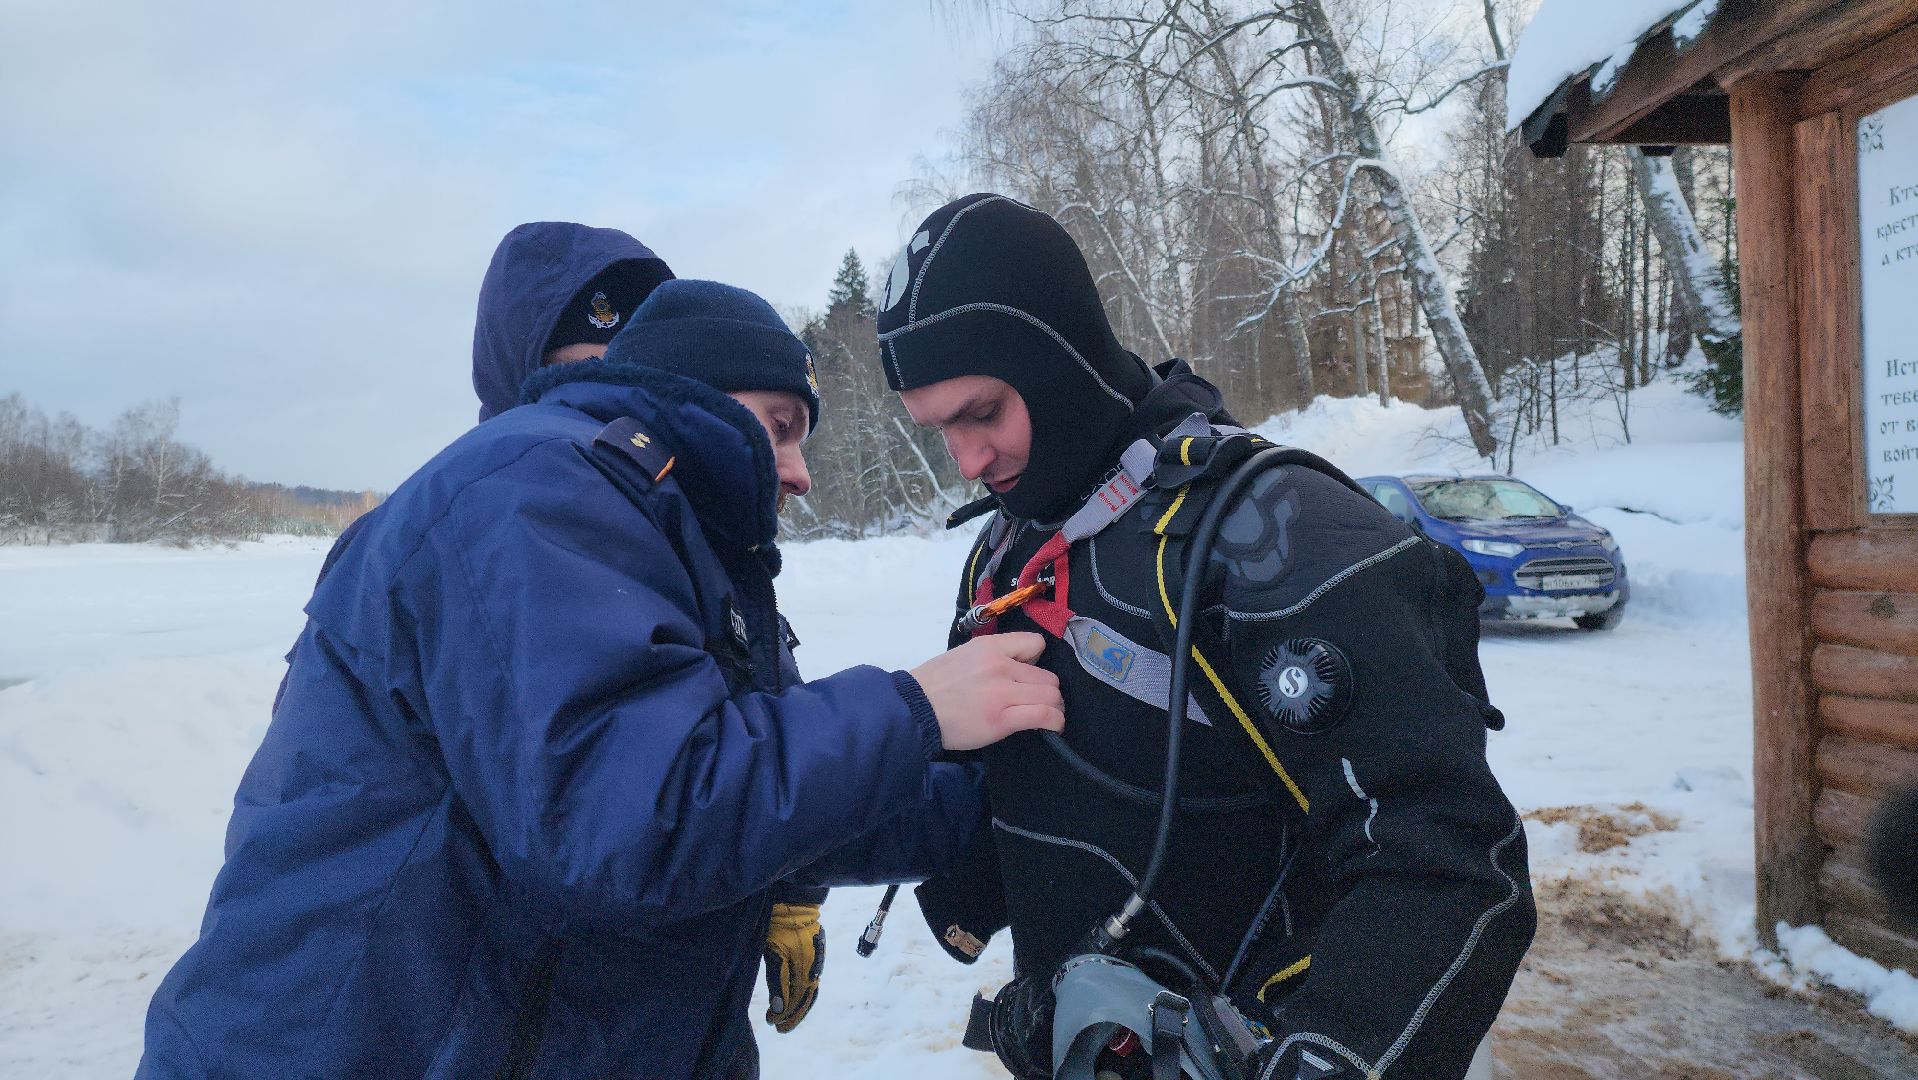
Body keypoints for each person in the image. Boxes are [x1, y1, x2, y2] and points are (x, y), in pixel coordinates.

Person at [135, 278, 1063, 1079]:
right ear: (695, 390)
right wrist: (913, 710)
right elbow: (628, 817)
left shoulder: (669, 543)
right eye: (780, 428)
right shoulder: (530, 487)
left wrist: (1022, 809)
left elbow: (771, 794)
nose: (801, 474)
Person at [875, 194, 1535, 1079]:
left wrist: (1322, 1056)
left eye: (983, 412)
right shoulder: (1008, 554)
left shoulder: (1273, 535)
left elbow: (1449, 862)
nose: (967, 461)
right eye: (941, 430)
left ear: (1057, 358)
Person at [469, 219, 830, 1034]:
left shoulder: (669, 524)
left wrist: (794, 882)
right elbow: (624, 809)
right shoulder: (497, 514)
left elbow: (753, 704)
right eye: (585, 369)